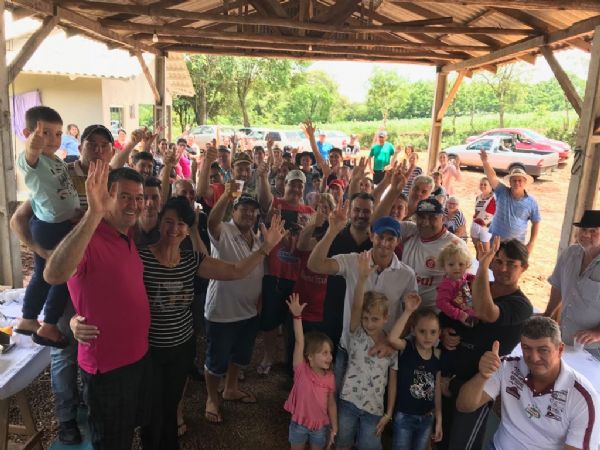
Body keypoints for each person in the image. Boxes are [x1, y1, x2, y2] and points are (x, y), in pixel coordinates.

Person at [44, 163, 150, 450]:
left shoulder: (126, 235)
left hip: (136, 357)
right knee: (111, 440)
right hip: (108, 367)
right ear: (107, 196)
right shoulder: (89, 237)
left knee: (125, 432)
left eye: (139, 197)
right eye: (124, 196)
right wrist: (93, 214)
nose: (134, 204)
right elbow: (54, 274)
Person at [438, 238, 533, 450]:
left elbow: (485, 312)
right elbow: (446, 315)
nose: (503, 268)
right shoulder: (474, 285)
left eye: (511, 264)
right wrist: (443, 333)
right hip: (446, 375)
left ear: (524, 268)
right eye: (498, 261)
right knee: (437, 437)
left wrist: (482, 267)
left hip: (477, 385)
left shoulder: (521, 305)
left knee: (461, 444)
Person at [308, 213, 417, 392]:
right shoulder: (354, 261)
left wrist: (390, 343)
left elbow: (409, 315)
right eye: (380, 237)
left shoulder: (407, 275)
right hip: (349, 348)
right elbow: (315, 265)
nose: (384, 243)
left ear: (398, 241)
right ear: (371, 236)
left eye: (391, 239)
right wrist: (332, 231)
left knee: (374, 405)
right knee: (340, 398)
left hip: (382, 353)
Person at [456, 316, 600, 450]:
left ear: (560, 349)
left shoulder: (584, 398)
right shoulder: (506, 366)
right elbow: (464, 406)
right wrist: (482, 376)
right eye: (527, 348)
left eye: (543, 350)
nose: (534, 358)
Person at [14, 106, 80, 347]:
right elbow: (30, 155)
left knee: (47, 275)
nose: (52, 139)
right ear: (28, 134)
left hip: (59, 224)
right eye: (45, 133)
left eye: (58, 133)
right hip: (50, 227)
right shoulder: (32, 160)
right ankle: (43, 322)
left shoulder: (56, 160)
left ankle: (31, 318)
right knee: (60, 275)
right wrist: (33, 145)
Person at [336, 251, 399, 450]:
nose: (369, 323)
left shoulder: (391, 347)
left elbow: (393, 382)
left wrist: (388, 413)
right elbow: (356, 306)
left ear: (386, 318)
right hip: (348, 402)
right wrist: (362, 279)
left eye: (375, 319)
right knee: (342, 443)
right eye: (366, 318)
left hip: (374, 409)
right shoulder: (357, 333)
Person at [258, 169, 315, 374]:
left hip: (298, 276)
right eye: (293, 184)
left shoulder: (309, 211)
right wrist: (263, 176)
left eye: (300, 185)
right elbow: (264, 200)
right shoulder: (276, 204)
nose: (296, 189)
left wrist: (305, 231)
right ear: (285, 185)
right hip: (275, 272)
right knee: (270, 320)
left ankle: (287, 358)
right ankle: (268, 356)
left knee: (292, 322)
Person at [388, 301, 443, 450]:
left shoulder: (437, 355)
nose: (427, 336)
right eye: (422, 331)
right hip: (404, 416)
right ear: (413, 330)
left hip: (427, 418)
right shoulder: (408, 348)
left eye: (433, 332)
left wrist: (439, 420)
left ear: (439, 333)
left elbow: (437, 390)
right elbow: (392, 339)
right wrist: (408, 311)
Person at [285, 294, 337, 450]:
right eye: (324, 353)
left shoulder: (330, 377)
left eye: (330, 352)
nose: (330, 357)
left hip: (320, 427)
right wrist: (297, 316)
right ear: (310, 356)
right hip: (299, 424)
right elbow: (299, 341)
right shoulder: (301, 370)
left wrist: (334, 427)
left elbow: (331, 403)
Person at [545, 210, 600, 348]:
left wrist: (597, 334)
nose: (586, 234)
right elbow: (557, 285)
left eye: (593, 231)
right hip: (565, 338)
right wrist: (548, 313)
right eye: (583, 229)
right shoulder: (569, 254)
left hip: (594, 348)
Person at [480, 150, 540, 254]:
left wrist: (531, 243)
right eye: (514, 180)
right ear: (510, 182)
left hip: (517, 246)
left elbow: (536, 222)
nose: (517, 183)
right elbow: (492, 177)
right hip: (496, 243)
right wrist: (485, 161)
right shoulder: (501, 191)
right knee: (493, 263)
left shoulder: (532, 202)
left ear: (525, 182)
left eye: (520, 180)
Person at [436, 244, 476, 327]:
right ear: (444, 266)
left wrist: (474, 278)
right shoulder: (447, 284)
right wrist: (459, 315)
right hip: (456, 320)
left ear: (466, 265)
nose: (456, 268)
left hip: (469, 311)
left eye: (461, 264)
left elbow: (468, 275)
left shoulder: (462, 275)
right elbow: (441, 303)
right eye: (451, 264)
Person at [470, 177, 496, 258]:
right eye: (481, 184)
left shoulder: (495, 198)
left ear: (490, 186)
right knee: (478, 251)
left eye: (485, 184)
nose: (482, 186)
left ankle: (486, 266)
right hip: (475, 225)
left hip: (486, 227)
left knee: (486, 252)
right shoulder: (478, 197)